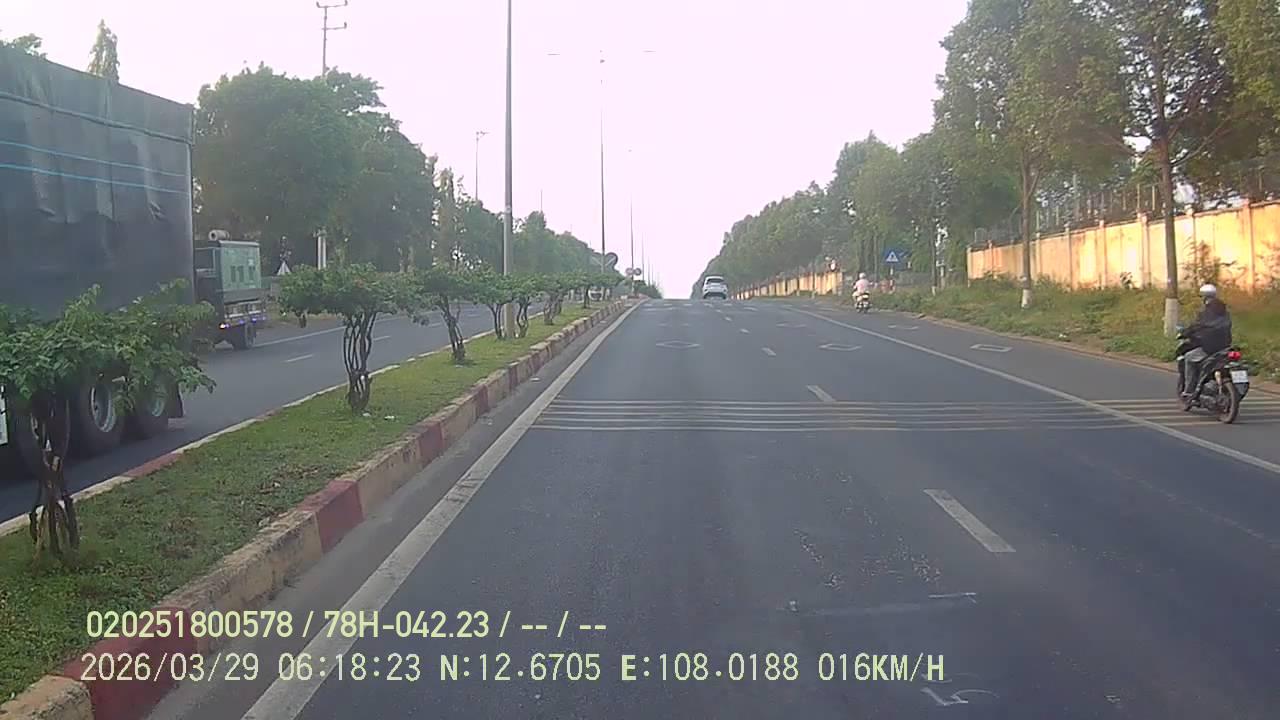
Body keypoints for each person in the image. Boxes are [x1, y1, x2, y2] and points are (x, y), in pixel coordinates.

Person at [1180, 283, 1233, 398]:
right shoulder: (1224, 311)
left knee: (1189, 358)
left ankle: (1189, 391)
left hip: (1210, 347)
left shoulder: (1206, 312)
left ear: (1204, 297)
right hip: (1226, 346)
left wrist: (1186, 332)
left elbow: (1197, 325)